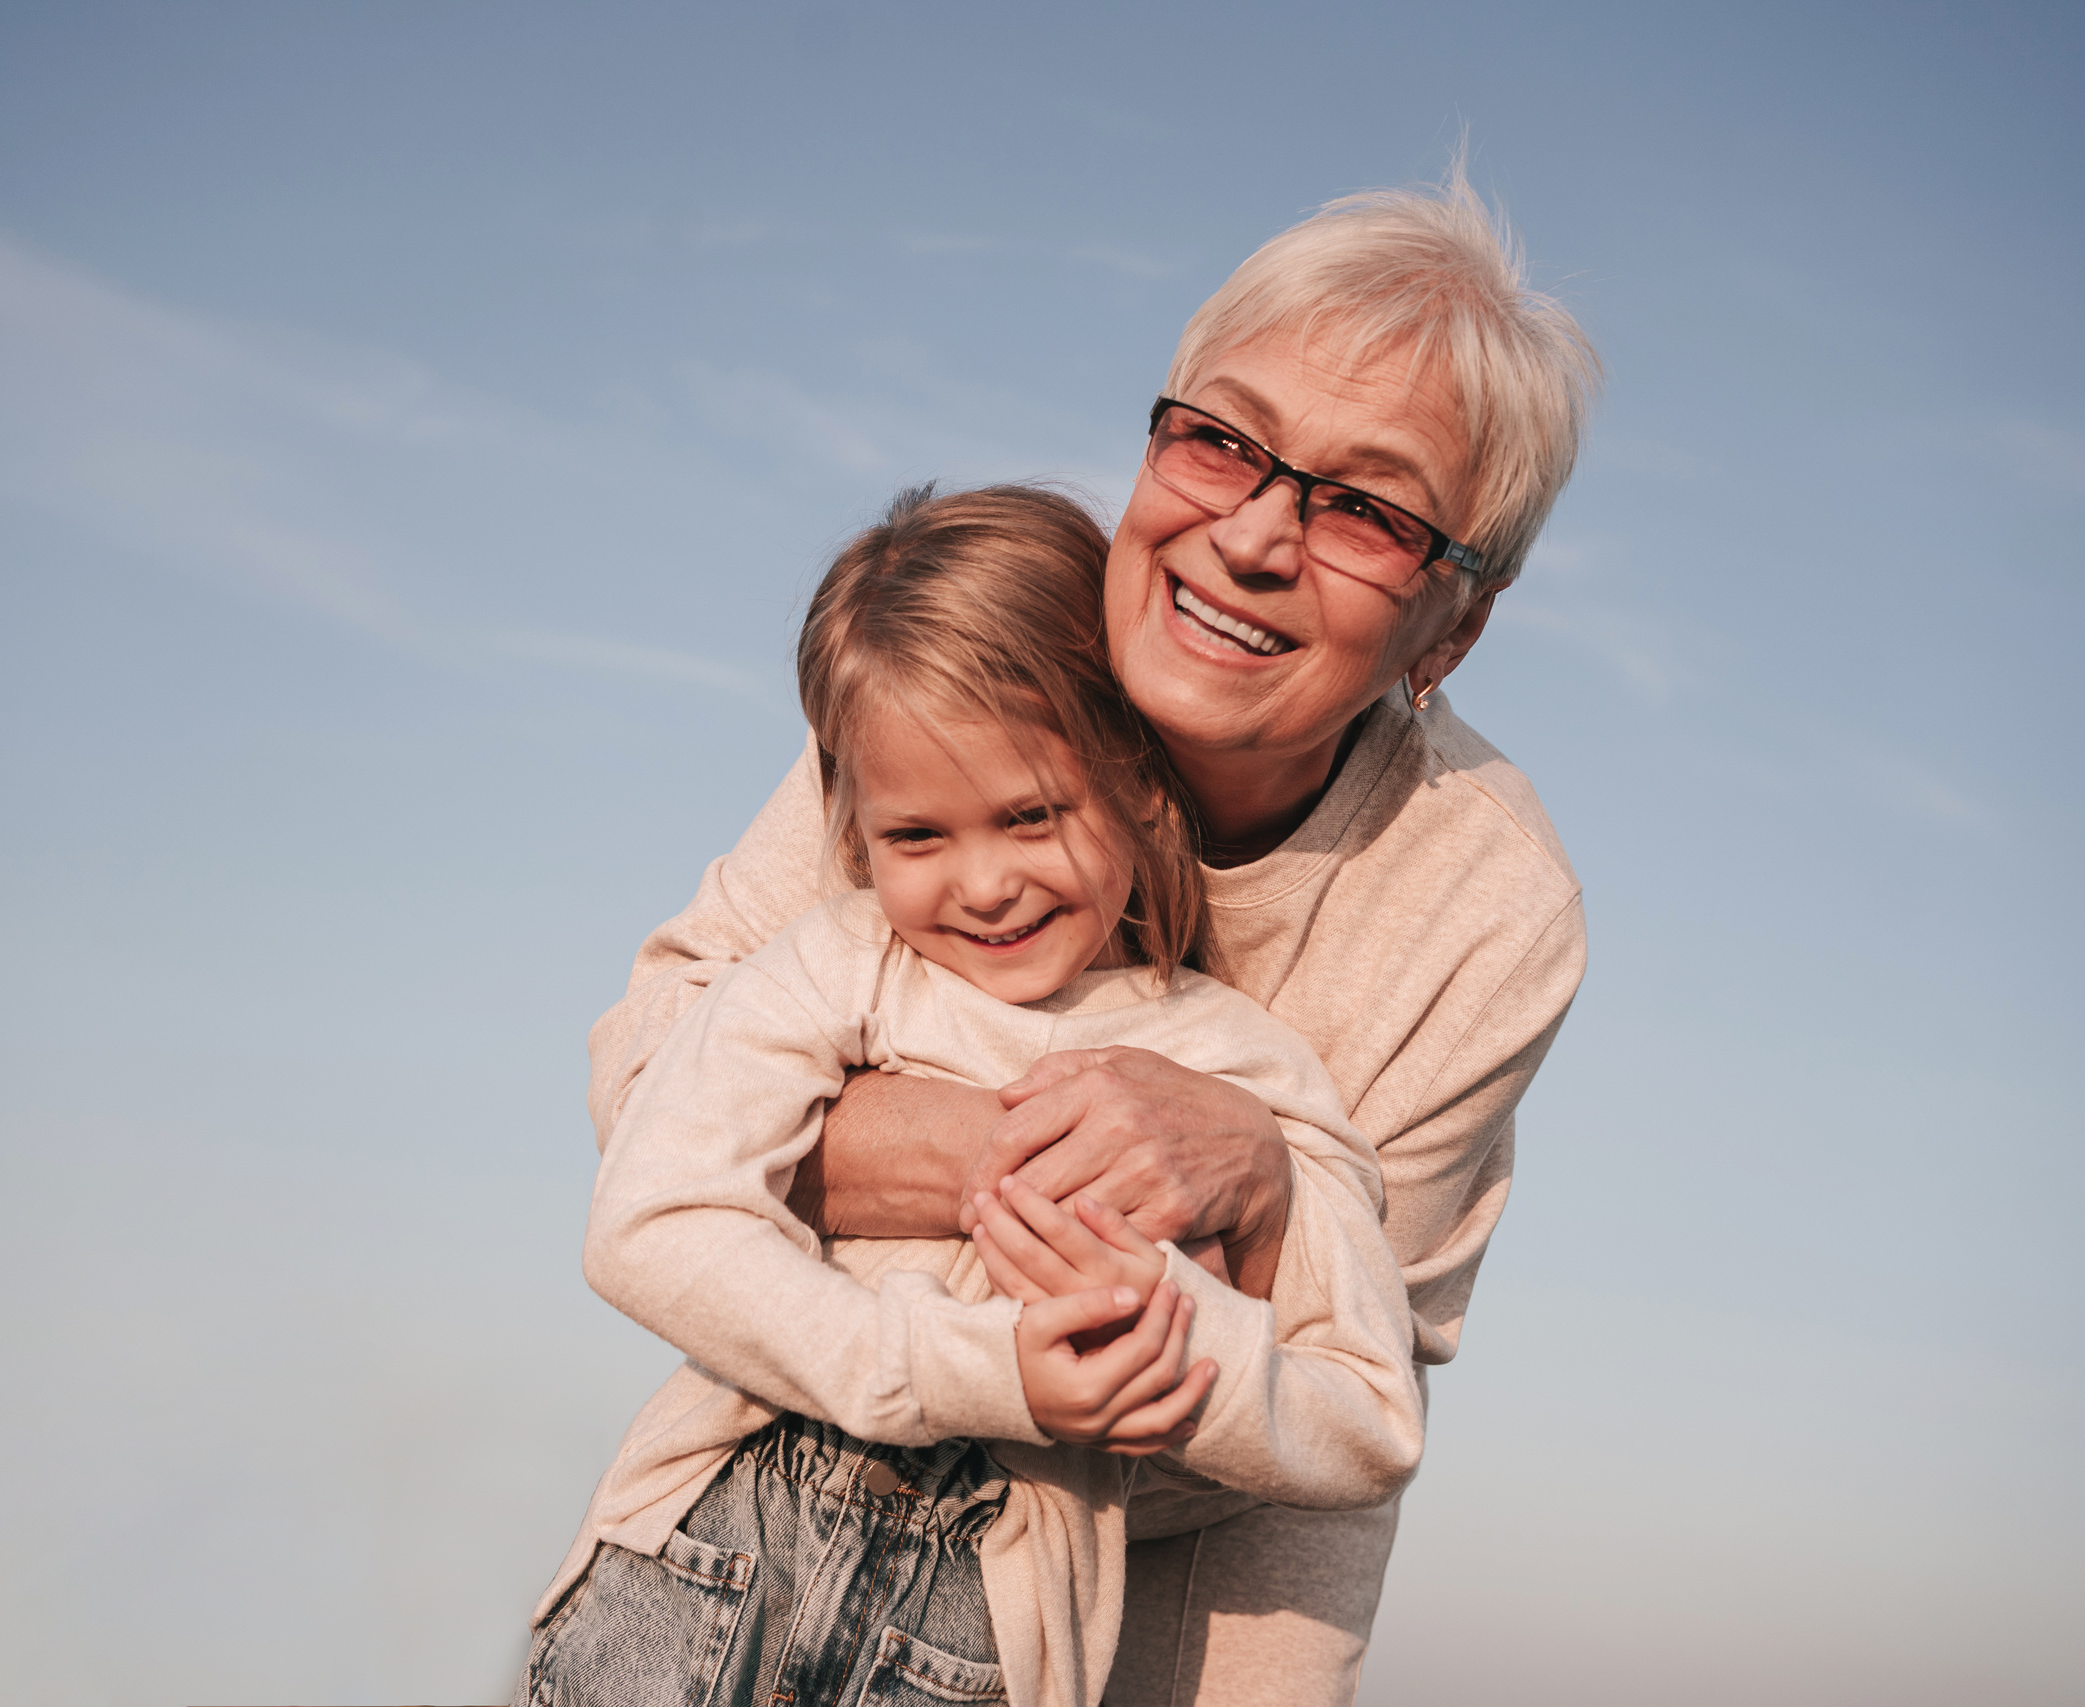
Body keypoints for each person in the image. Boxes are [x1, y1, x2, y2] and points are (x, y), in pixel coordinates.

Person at [580, 175, 1597, 1707]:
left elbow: (1345, 1388)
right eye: (1222, 439)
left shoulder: (1486, 905)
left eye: (1369, 510)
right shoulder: (982, 671)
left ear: (1452, 625)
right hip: (754, 1518)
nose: (1253, 534)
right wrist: (1055, 1164)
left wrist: (1263, 1174)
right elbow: (655, 1084)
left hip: (1129, 1595)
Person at [525, 485, 1422, 1707]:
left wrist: (1175, 1345)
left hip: (982, 1631)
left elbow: (1370, 1417)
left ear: (1142, 785)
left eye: (1030, 816)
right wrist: (980, 1369)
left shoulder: (1241, 1072)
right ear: (851, 831)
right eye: (916, 837)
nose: (985, 884)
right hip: (699, 1560)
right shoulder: (836, 966)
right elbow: (649, 1219)